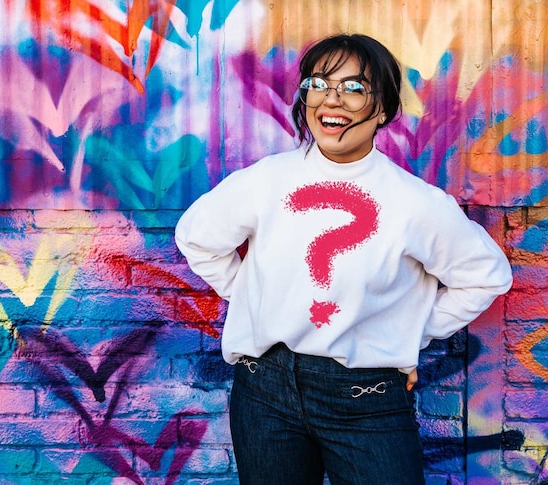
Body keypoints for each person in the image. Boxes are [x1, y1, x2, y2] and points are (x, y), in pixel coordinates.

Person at [174, 33, 512, 485]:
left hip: (367, 399)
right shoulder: (266, 180)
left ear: (383, 110)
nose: (332, 100)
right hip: (264, 393)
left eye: (354, 88)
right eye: (319, 83)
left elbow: (486, 277)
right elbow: (198, 239)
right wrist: (255, 300)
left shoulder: (415, 203)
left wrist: (409, 333)